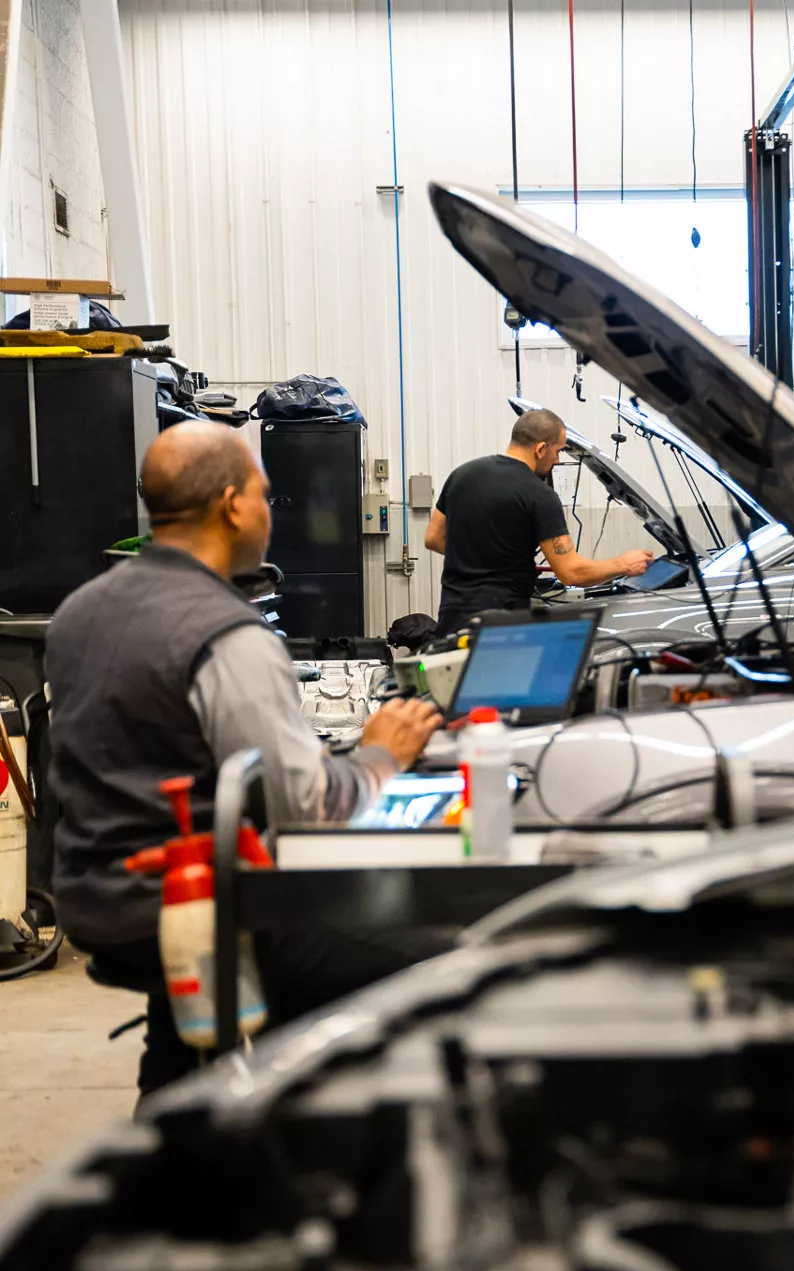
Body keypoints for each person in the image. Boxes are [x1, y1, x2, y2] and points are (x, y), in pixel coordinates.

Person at [44, 422, 442, 1096]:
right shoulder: (226, 632)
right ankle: (314, 1119)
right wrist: (382, 752)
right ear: (233, 505)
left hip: (96, 897)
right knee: (448, 952)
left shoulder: (79, 612)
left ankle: (180, 1127)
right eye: (264, 494)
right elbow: (309, 807)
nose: (268, 511)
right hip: (195, 903)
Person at [424, 408, 655, 635]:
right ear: (541, 448)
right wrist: (622, 564)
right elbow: (571, 572)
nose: (557, 460)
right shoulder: (539, 494)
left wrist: (480, 557)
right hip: (500, 627)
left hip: (453, 617)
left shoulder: (462, 474)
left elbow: (433, 538)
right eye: (558, 451)